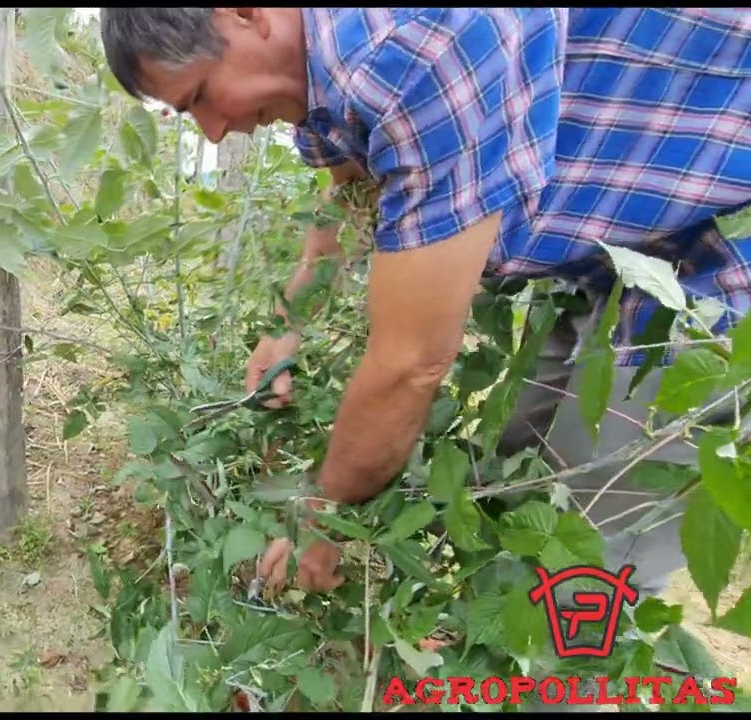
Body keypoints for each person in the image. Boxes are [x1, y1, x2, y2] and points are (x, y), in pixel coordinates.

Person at [99, 9, 751, 607]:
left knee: (591, 568)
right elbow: (353, 191)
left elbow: (411, 364)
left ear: (243, 14)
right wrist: (287, 325)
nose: (214, 132)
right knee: (516, 480)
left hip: (721, 265)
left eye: (201, 97)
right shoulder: (325, 70)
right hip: (613, 263)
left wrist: (322, 518)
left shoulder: (412, 48)